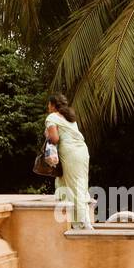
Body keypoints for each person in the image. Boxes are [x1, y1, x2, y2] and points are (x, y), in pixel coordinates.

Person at [45, 94, 93, 229]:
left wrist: (47, 134)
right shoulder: (70, 118)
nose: (48, 107)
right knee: (73, 183)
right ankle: (76, 221)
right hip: (82, 152)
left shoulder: (52, 117)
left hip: (70, 153)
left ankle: (83, 223)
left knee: (74, 186)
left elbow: (54, 139)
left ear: (53, 105)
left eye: (49, 104)